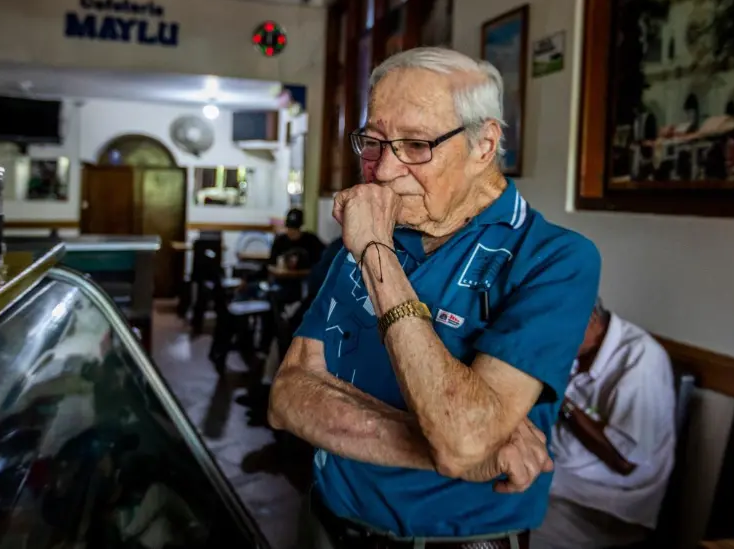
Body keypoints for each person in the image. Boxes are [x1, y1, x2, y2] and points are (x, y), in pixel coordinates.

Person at [269, 47, 601, 549]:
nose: (383, 171)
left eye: (417, 145)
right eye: (374, 142)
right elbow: (288, 396)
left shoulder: (554, 258)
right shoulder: (371, 231)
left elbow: (463, 440)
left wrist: (376, 255)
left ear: (484, 144)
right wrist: (446, 449)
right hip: (325, 523)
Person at [531, 300, 676, 549]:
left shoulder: (640, 358)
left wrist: (564, 401)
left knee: (504, 533)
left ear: (589, 319)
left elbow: (624, 460)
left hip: (598, 508)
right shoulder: (578, 349)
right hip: (553, 485)